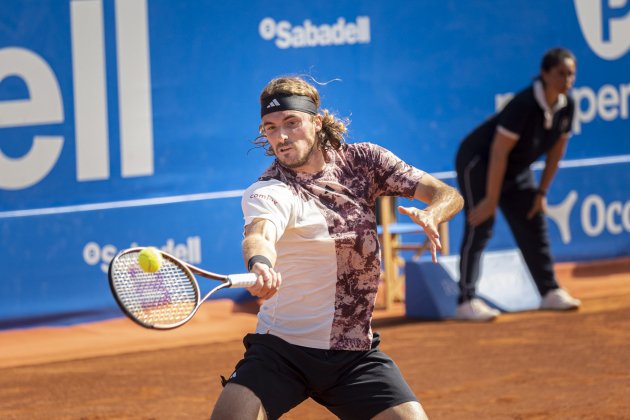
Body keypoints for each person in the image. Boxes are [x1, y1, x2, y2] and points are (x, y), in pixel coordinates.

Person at [210, 76, 463, 420]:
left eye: (291, 123)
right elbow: (260, 233)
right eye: (270, 128)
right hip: (283, 351)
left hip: (354, 354)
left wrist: (434, 213)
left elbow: (447, 194)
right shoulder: (269, 190)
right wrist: (260, 263)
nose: (281, 137)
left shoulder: (365, 162)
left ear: (316, 122)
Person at [454, 47, 581, 321]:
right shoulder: (523, 105)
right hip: (480, 163)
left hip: (516, 169)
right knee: (481, 225)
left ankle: (549, 292)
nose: (567, 80)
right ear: (545, 74)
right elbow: (499, 152)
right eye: (561, 73)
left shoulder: (567, 105)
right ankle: (466, 300)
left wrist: (542, 192)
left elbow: (557, 152)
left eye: (571, 74)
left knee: (533, 220)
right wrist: (490, 198)